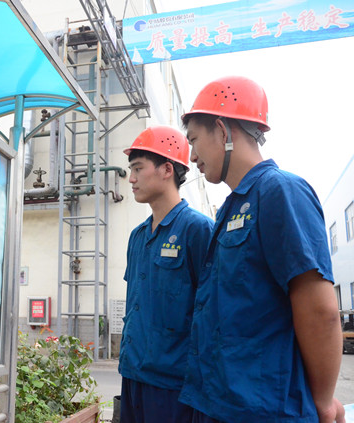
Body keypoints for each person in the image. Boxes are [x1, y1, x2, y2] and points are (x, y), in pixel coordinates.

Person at [179, 75, 344, 423]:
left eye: (194, 140)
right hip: (223, 404)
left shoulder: (280, 191)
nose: (192, 156)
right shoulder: (231, 209)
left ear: (222, 131)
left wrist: (323, 401)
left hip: (266, 410)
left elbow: (320, 311)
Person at [119, 126, 214, 423]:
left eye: (138, 168)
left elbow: (213, 313)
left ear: (167, 169)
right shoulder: (137, 236)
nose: (131, 178)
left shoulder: (198, 230)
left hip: (175, 385)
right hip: (132, 374)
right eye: (130, 170)